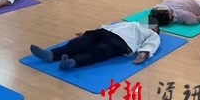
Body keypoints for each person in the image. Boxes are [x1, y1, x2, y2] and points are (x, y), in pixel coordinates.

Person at [29, 19, 161, 70]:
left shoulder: (152, 34)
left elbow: (152, 43)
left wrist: (144, 52)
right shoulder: (131, 23)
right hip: (105, 32)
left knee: (98, 51)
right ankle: (51, 54)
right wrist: (88, 32)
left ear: (156, 29)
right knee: (81, 42)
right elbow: (111, 26)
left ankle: (71, 62)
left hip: (122, 42)